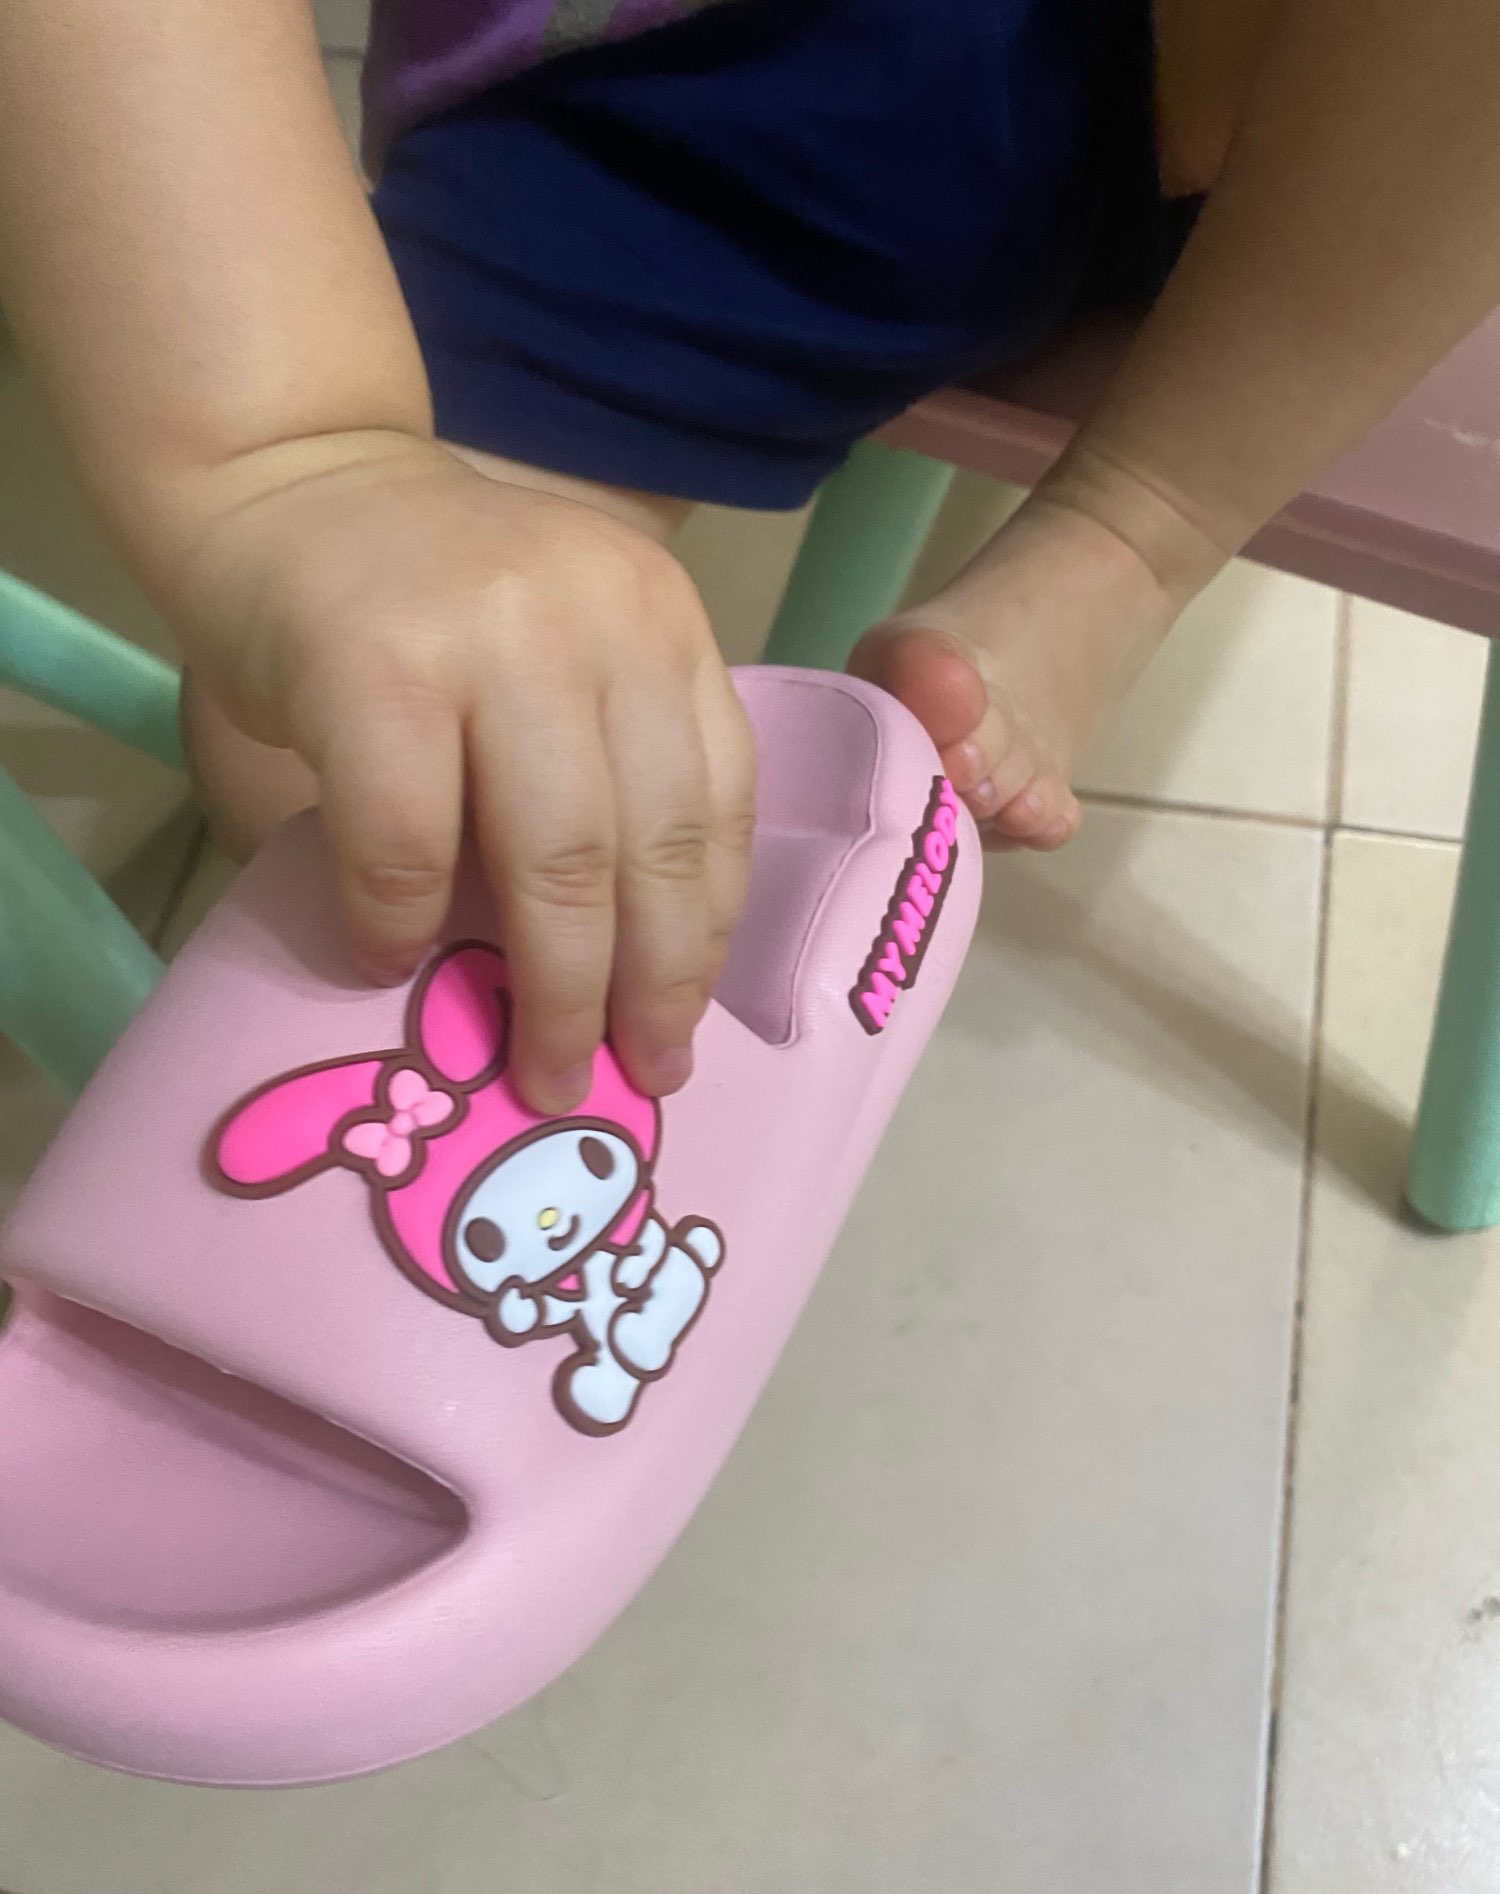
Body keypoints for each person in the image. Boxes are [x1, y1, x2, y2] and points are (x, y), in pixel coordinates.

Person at [0, 0, 1496, 1117]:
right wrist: (295, 462)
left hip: (1315, 127)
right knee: (338, 766)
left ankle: (1138, 532)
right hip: (704, 82)